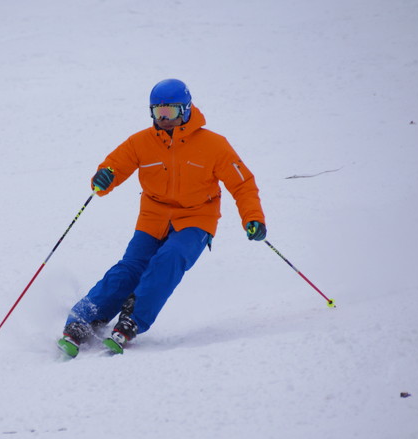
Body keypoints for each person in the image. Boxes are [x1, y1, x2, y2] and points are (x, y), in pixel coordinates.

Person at [57, 79, 266, 357]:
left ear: (187, 110)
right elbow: (113, 166)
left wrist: (253, 218)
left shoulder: (214, 145)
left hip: (197, 216)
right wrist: (103, 178)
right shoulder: (141, 142)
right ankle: (84, 319)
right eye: (158, 113)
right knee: (130, 268)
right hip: (153, 216)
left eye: (171, 112)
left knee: (169, 259)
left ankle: (133, 320)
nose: (165, 120)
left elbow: (243, 184)